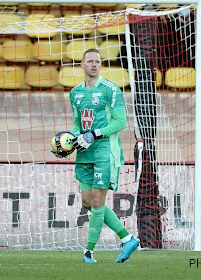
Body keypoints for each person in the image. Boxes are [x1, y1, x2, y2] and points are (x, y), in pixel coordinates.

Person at [53, 48, 140, 263]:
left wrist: (94, 134)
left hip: (105, 153)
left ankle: (88, 252)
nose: (94, 64)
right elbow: (77, 122)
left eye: (98, 61)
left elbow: (120, 122)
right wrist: (72, 138)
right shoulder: (75, 93)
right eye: (90, 61)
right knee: (87, 202)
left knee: (98, 201)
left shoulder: (111, 90)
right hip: (84, 153)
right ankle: (127, 238)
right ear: (82, 65)